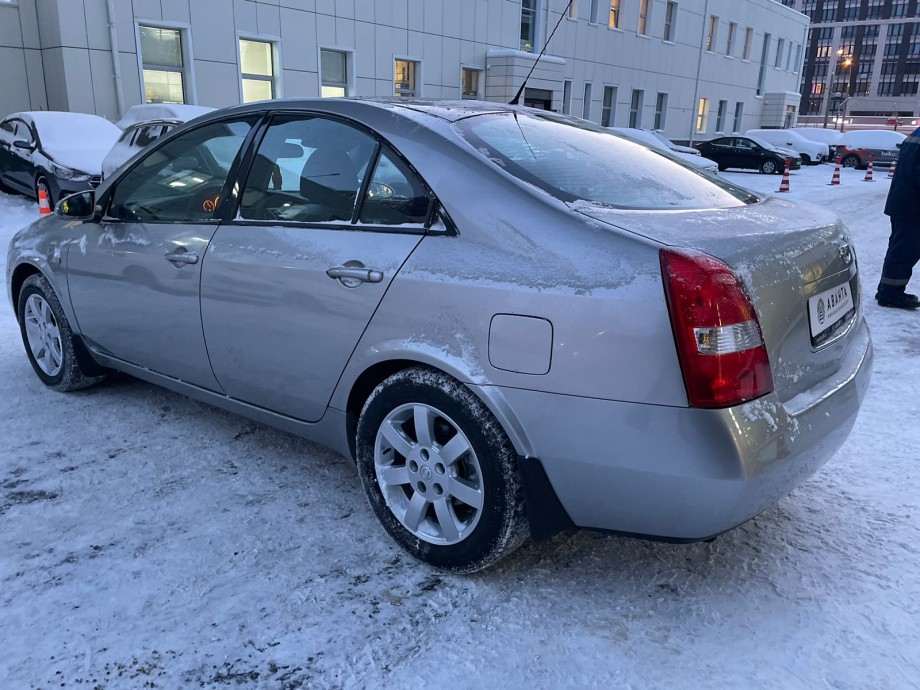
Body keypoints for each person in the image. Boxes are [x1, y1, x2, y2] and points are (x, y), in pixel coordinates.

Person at [877, 124, 920, 309]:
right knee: (904, 251)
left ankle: (888, 290)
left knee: (900, 249)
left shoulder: (916, 134)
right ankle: (890, 295)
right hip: (913, 206)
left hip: (904, 202)